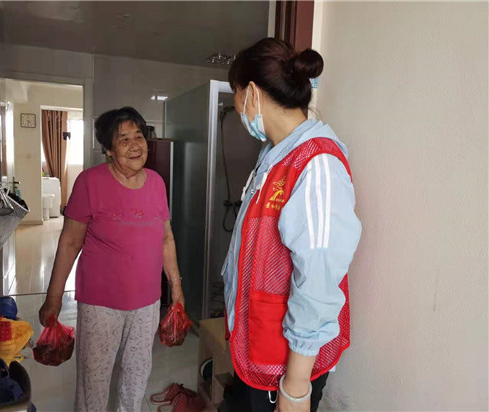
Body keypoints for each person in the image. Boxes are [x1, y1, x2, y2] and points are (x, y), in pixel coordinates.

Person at [220, 38, 362, 412]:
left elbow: (319, 278)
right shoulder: (274, 155)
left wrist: (296, 385)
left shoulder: (317, 164)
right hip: (258, 350)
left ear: (252, 93)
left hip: (286, 365)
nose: (237, 105)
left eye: (236, 94)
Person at [38, 107, 185, 412]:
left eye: (139, 136)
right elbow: (70, 242)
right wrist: (53, 298)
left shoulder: (156, 182)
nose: (135, 145)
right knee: (94, 379)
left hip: (147, 303)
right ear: (108, 149)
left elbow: (166, 238)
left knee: (137, 374)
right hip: (101, 304)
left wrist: (176, 288)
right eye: (124, 139)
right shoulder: (89, 182)